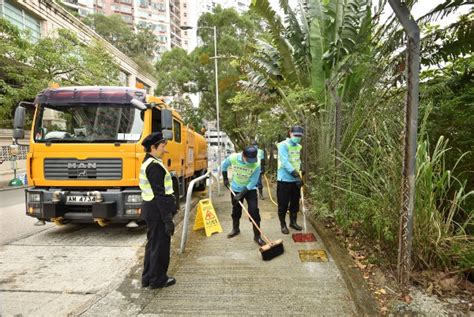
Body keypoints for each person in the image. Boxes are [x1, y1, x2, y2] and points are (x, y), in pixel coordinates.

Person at [139, 132, 177, 289]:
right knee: (160, 246)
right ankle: (158, 280)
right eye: (162, 146)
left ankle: (148, 278)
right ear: (153, 147)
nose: (165, 150)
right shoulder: (154, 166)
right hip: (157, 211)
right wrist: (168, 220)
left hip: (151, 210)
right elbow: (160, 194)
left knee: (153, 244)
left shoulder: (148, 162)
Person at [221, 145, 265, 246]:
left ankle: (257, 236)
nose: (251, 162)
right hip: (235, 188)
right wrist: (225, 178)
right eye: (249, 159)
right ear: (243, 155)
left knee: (254, 212)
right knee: (236, 210)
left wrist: (242, 194)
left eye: (252, 159)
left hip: (250, 190)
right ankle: (235, 229)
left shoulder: (256, 164)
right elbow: (224, 165)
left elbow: (253, 181)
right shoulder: (233, 158)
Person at [276, 125, 304, 234]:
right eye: (296, 135)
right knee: (283, 204)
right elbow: (285, 162)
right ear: (290, 133)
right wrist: (296, 174)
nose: (297, 137)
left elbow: (297, 159)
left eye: (300, 136)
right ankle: (283, 225)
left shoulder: (298, 146)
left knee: (295, 203)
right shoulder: (283, 145)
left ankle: (293, 222)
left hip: (295, 180)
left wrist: (301, 167)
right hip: (284, 180)